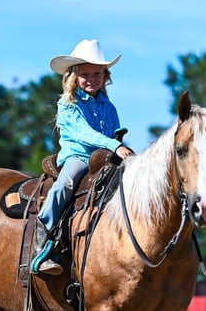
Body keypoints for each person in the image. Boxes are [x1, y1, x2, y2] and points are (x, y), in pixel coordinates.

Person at [31, 39, 135, 276]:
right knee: (66, 185)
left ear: (105, 75)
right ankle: (42, 234)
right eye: (85, 74)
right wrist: (114, 144)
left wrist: (119, 144)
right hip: (78, 156)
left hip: (105, 158)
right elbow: (84, 134)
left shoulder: (109, 107)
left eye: (97, 73)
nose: (91, 78)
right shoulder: (68, 104)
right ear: (74, 76)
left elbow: (112, 132)